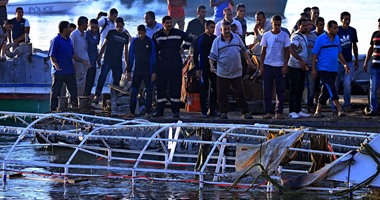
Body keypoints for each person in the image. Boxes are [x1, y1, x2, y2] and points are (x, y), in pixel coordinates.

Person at [208, 21, 254, 120]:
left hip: (236, 72)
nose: (227, 31)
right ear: (221, 30)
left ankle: (246, 112)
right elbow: (212, 56)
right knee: (222, 95)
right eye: (225, 29)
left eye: (228, 29)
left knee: (240, 93)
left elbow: (244, 51)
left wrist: (249, 62)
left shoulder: (237, 38)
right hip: (222, 73)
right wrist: (211, 66)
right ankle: (223, 112)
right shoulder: (217, 41)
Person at [152, 16, 192, 118]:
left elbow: (189, 39)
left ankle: (175, 111)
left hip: (175, 64)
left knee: (175, 87)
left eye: (171, 22)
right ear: (163, 23)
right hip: (162, 65)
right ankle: (160, 111)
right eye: (167, 23)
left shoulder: (178, 33)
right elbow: (154, 52)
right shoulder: (157, 35)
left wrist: (182, 50)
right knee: (161, 88)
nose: (170, 24)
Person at [311, 20, 349, 118]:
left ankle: (317, 111)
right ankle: (339, 109)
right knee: (332, 88)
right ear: (329, 29)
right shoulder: (320, 39)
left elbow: (339, 53)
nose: (337, 30)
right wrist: (313, 69)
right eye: (334, 28)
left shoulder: (336, 39)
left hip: (333, 69)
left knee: (326, 91)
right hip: (323, 69)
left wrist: (345, 64)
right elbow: (314, 54)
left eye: (337, 28)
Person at [49, 21, 89, 111]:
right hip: (58, 72)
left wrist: (82, 61)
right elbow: (52, 55)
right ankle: (53, 109)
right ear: (64, 29)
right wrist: (55, 64)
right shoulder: (56, 40)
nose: (70, 30)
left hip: (69, 71)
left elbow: (72, 54)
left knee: (73, 91)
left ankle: (73, 107)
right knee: (56, 91)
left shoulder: (69, 40)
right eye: (68, 28)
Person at [259, 15, 290, 119]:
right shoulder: (266, 35)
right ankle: (268, 111)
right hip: (268, 65)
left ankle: (279, 111)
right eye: (275, 24)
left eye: (279, 25)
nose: (277, 27)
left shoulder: (284, 35)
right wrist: (261, 66)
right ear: (271, 24)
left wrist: (285, 65)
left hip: (280, 66)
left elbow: (287, 51)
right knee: (267, 90)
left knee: (280, 90)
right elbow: (263, 51)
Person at [94, 17, 129, 103]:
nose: (119, 28)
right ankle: (97, 95)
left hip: (117, 61)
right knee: (102, 77)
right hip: (107, 59)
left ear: (123, 26)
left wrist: (127, 64)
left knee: (117, 79)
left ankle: (115, 97)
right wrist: (99, 56)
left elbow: (126, 51)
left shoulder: (125, 36)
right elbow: (104, 45)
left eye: (120, 26)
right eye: (117, 26)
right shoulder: (111, 33)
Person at [125, 25, 157, 118]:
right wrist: (128, 71)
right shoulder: (134, 42)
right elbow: (130, 57)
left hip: (148, 70)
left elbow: (154, 57)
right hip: (137, 70)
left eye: (142, 33)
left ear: (145, 32)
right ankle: (132, 111)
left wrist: (154, 72)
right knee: (134, 90)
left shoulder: (150, 41)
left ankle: (148, 111)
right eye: (139, 33)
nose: (141, 35)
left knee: (148, 91)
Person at [193, 20, 218, 118]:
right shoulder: (200, 39)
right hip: (203, 66)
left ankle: (213, 109)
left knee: (214, 88)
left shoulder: (215, 39)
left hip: (214, 67)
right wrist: (197, 69)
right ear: (206, 27)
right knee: (203, 88)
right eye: (211, 27)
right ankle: (203, 110)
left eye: (214, 27)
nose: (213, 29)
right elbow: (195, 55)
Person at [335, 11, 359, 111]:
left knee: (347, 84)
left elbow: (354, 45)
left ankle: (347, 104)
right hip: (337, 62)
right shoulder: (337, 30)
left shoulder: (353, 30)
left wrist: (357, 60)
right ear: (341, 20)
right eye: (345, 19)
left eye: (349, 19)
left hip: (349, 61)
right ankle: (335, 105)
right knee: (335, 84)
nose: (347, 21)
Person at [288, 18, 310, 119]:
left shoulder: (304, 36)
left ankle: (298, 109)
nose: (306, 27)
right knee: (294, 89)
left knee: (300, 88)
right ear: (299, 26)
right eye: (304, 26)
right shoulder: (296, 37)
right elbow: (291, 49)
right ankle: (292, 110)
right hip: (294, 66)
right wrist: (300, 60)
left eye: (307, 25)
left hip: (302, 67)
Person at [363, 18, 380, 116]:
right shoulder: (375, 34)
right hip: (374, 66)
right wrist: (366, 62)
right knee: (373, 88)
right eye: (379, 25)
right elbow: (371, 48)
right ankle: (373, 109)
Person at [70, 16, 91, 97]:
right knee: (76, 85)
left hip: (84, 66)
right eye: (86, 24)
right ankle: (73, 103)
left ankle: (79, 102)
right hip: (77, 64)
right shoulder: (74, 35)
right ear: (82, 24)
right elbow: (71, 51)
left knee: (82, 86)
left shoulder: (85, 34)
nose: (87, 26)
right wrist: (75, 63)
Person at [305, 18, 318, 113]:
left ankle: (310, 105)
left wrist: (314, 67)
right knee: (301, 86)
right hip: (300, 66)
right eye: (307, 25)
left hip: (310, 65)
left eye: (310, 25)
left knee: (311, 86)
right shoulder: (298, 35)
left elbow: (316, 52)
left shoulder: (314, 37)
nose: (309, 27)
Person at [84, 19, 100, 96]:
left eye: (96, 28)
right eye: (92, 27)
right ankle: (84, 98)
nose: (94, 29)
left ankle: (87, 98)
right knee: (86, 82)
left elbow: (95, 47)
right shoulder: (85, 35)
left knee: (91, 82)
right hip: (86, 62)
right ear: (89, 26)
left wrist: (98, 59)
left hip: (93, 61)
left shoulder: (97, 35)